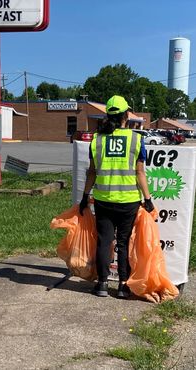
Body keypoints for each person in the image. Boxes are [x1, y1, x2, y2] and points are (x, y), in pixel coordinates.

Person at [79, 95, 154, 299]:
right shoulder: (136, 139)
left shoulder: (97, 140)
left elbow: (91, 172)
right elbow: (140, 173)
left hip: (103, 199)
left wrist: (85, 196)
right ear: (126, 115)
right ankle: (122, 286)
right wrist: (147, 200)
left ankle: (102, 284)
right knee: (123, 243)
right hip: (128, 202)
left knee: (104, 241)